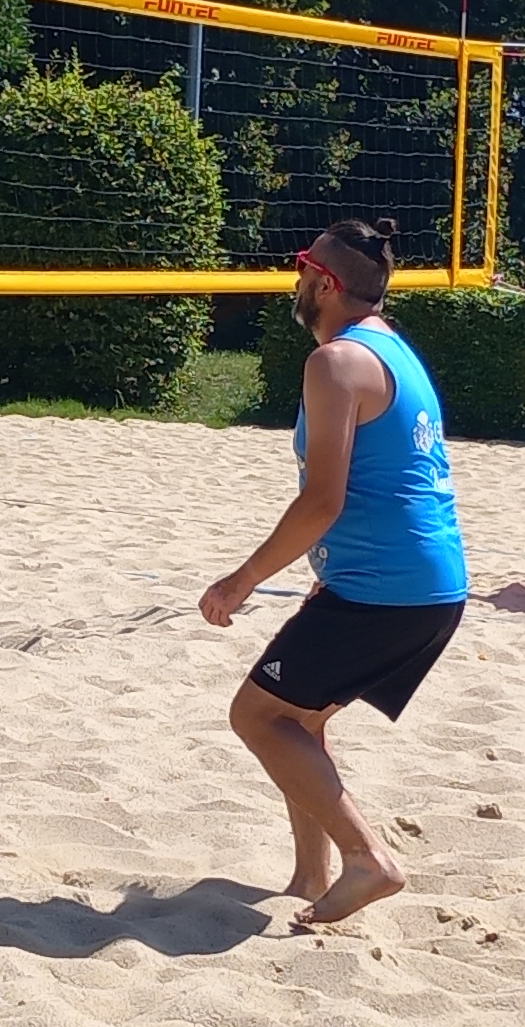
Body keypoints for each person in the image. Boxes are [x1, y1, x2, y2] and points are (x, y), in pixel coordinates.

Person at [199, 220, 468, 929]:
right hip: (425, 585)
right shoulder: (394, 349)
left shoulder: (336, 363)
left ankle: (367, 859)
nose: (294, 278)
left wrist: (241, 580)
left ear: (325, 282)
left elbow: (324, 500)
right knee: (300, 716)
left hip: (390, 590)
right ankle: (311, 874)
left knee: (256, 716)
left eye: (300, 266)